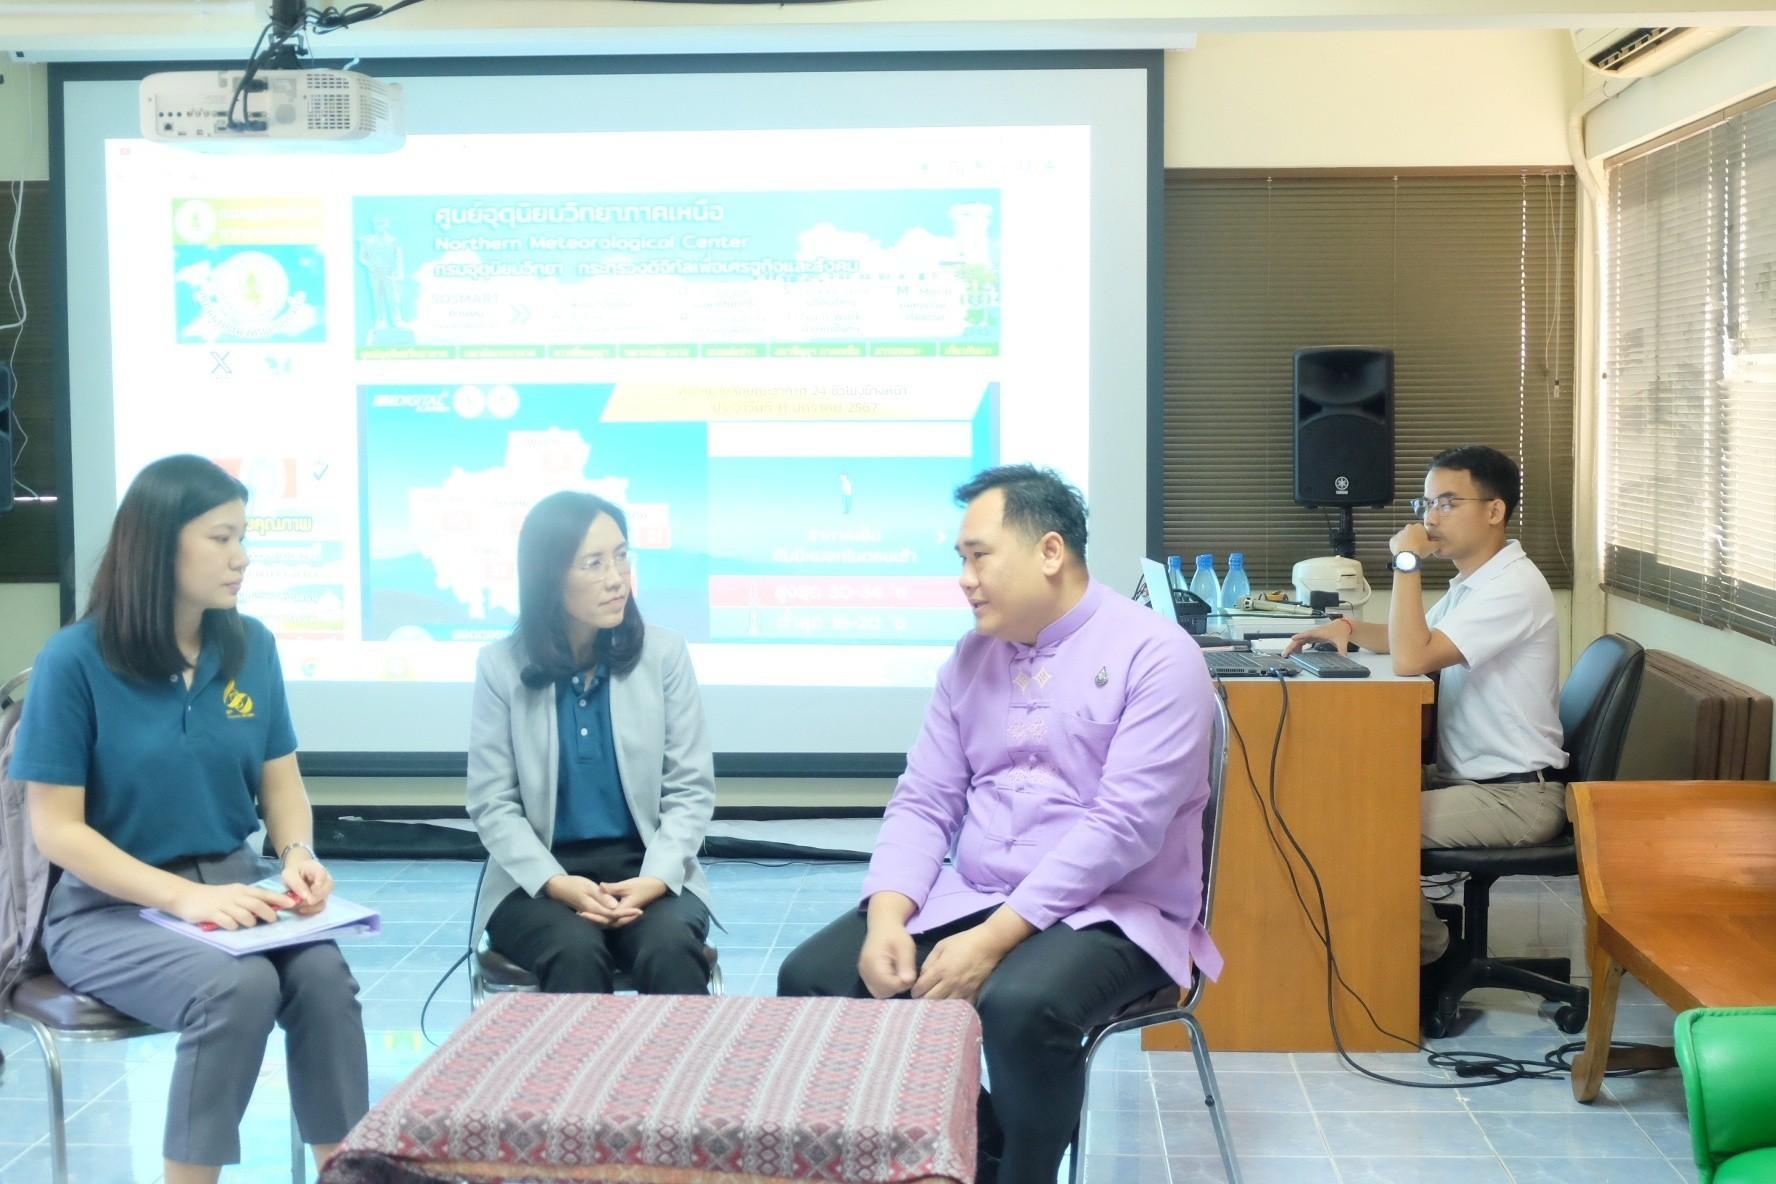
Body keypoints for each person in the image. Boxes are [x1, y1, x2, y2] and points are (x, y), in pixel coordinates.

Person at [776, 464, 1222, 1184]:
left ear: (1050, 551)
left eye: (979, 556)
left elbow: (1123, 827)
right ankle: (980, 1155)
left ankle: (1024, 1173)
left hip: (1116, 910)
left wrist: (990, 941)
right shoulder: (971, 656)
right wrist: (887, 915)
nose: (965, 579)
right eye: (960, 559)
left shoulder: (1157, 655)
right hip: (979, 893)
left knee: (1020, 1006)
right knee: (814, 979)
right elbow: (925, 799)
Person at [14, 454, 367, 1184]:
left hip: (237, 892)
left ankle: (349, 1172)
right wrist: (182, 897)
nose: (242, 558)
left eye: (244, 537)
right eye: (221, 538)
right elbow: (57, 830)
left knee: (324, 980)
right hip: (107, 912)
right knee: (236, 987)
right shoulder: (73, 660)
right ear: (158, 545)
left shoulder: (251, 646)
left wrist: (297, 853)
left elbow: (282, 786)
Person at [1283, 444, 1567, 980]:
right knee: (1333, 792)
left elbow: (1412, 658)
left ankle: (1435, 953)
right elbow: (1412, 639)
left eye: (1447, 503)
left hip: (1514, 797)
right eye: (1426, 503)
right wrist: (1346, 628)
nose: (1430, 518)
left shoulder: (1513, 588)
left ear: (1494, 510)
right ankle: (1383, 943)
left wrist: (1406, 562)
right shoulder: (1476, 582)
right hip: (1472, 780)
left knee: (1360, 825)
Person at [466, 491, 715, 995]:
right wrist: (555, 882)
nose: (617, 578)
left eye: (621, 556)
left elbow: (690, 790)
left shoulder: (664, 654)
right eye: (594, 563)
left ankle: (681, 1054)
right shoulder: (501, 666)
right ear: (548, 576)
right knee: (574, 950)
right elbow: (493, 804)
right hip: (538, 876)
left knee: (669, 946)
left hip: (646, 864)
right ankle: (576, 1056)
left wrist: (657, 877)